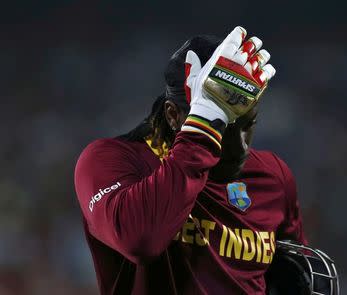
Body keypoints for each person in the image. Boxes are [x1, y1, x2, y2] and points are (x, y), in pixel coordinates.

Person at [74, 26, 307, 294]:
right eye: (223, 127)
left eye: (249, 123)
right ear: (173, 115)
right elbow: (140, 240)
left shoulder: (273, 175)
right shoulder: (111, 161)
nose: (241, 146)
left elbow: (294, 268)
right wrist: (205, 121)